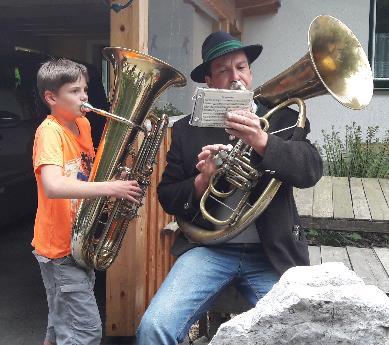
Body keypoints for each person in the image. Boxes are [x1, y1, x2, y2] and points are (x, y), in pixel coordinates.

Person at [136, 31, 323, 344]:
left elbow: (310, 170)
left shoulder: (282, 119)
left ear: (250, 74)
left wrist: (263, 143)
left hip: (270, 252)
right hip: (209, 250)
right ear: (209, 80)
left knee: (299, 335)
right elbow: (168, 196)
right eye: (223, 70)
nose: (235, 77)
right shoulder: (185, 129)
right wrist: (202, 180)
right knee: (154, 327)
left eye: (241, 67)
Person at [32, 58, 142, 345]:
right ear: (52, 98)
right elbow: (53, 186)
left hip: (79, 239)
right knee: (85, 332)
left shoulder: (82, 125)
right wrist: (111, 188)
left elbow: (84, 175)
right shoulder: (49, 132)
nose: (84, 97)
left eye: (85, 90)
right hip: (59, 248)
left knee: (60, 325)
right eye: (75, 91)